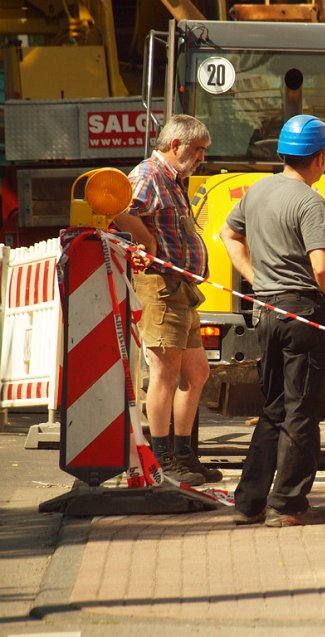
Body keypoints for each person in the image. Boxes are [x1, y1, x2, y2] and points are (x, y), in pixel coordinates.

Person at [219, 114, 325, 527]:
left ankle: (250, 502)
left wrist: (255, 276)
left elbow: (228, 233)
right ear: (320, 158)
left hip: (268, 312)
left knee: (274, 408)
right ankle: (289, 504)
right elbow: (322, 265)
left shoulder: (257, 191)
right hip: (303, 316)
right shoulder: (309, 201)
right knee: (302, 410)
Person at [112, 114, 221, 487]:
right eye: (197, 150)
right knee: (164, 373)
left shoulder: (173, 179)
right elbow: (119, 208)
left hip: (182, 289)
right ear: (175, 145)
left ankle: (184, 454)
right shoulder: (149, 174)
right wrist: (148, 242)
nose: (201, 157)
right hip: (161, 288)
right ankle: (161, 458)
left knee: (196, 372)